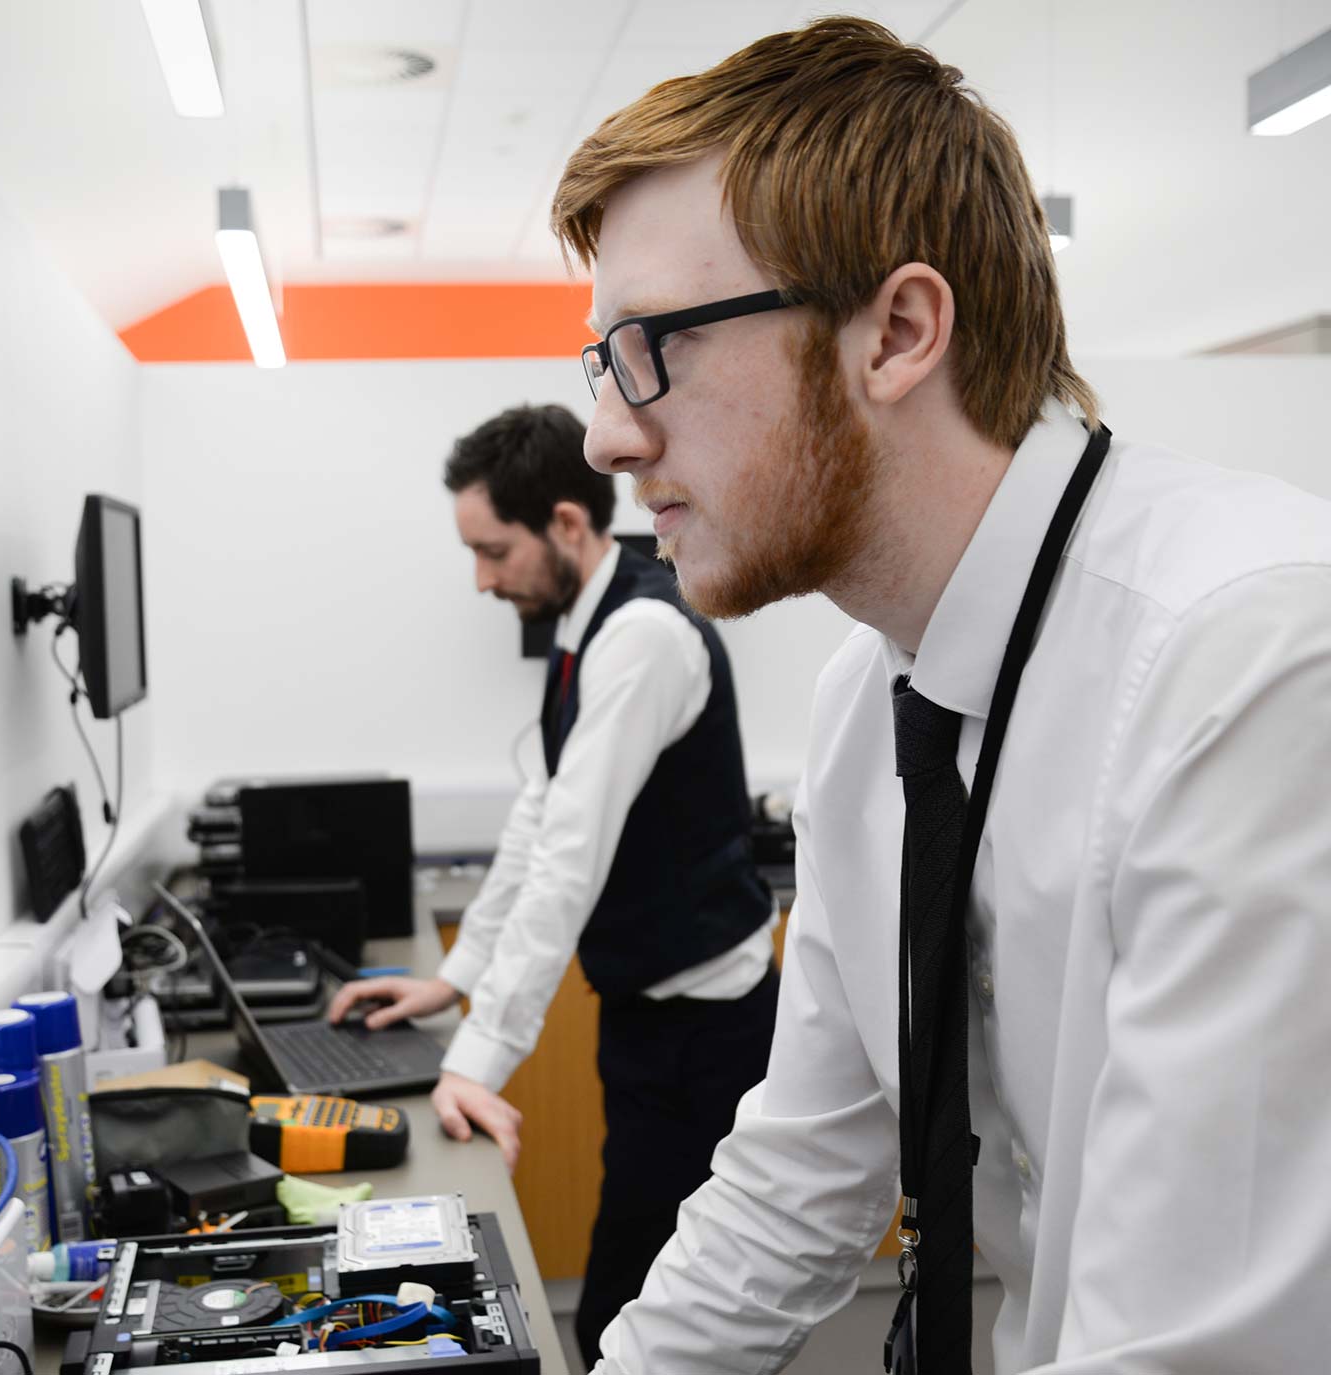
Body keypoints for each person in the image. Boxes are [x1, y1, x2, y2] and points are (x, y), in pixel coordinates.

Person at [553, 14, 1331, 1374]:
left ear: (899, 331)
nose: (610, 431)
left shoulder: (1253, 660)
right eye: (599, 363)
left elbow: (1195, 1351)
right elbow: (795, 1181)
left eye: (651, 345)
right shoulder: (879, 698)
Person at [326, 402, 779, 1366]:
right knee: (624, 1306)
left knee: (649, 1314)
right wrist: (456, 978)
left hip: (708, 1034)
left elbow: (570, 861)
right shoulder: (580, 627)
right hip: (645, 1016)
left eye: (493, 551)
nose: (484, 579)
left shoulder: (645, 635)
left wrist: (476, 1061)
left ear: (567, 524)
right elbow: (539, 814)